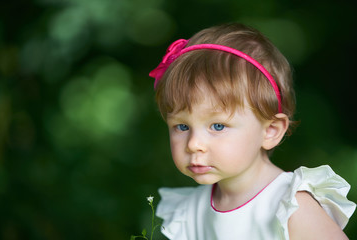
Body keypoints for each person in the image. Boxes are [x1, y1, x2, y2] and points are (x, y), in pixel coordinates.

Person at [149, 23, 356, 239]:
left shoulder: (290, 207)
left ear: (271, 131)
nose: (193, 144)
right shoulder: (190, 211)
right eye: (182, 126)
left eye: (218, 126)